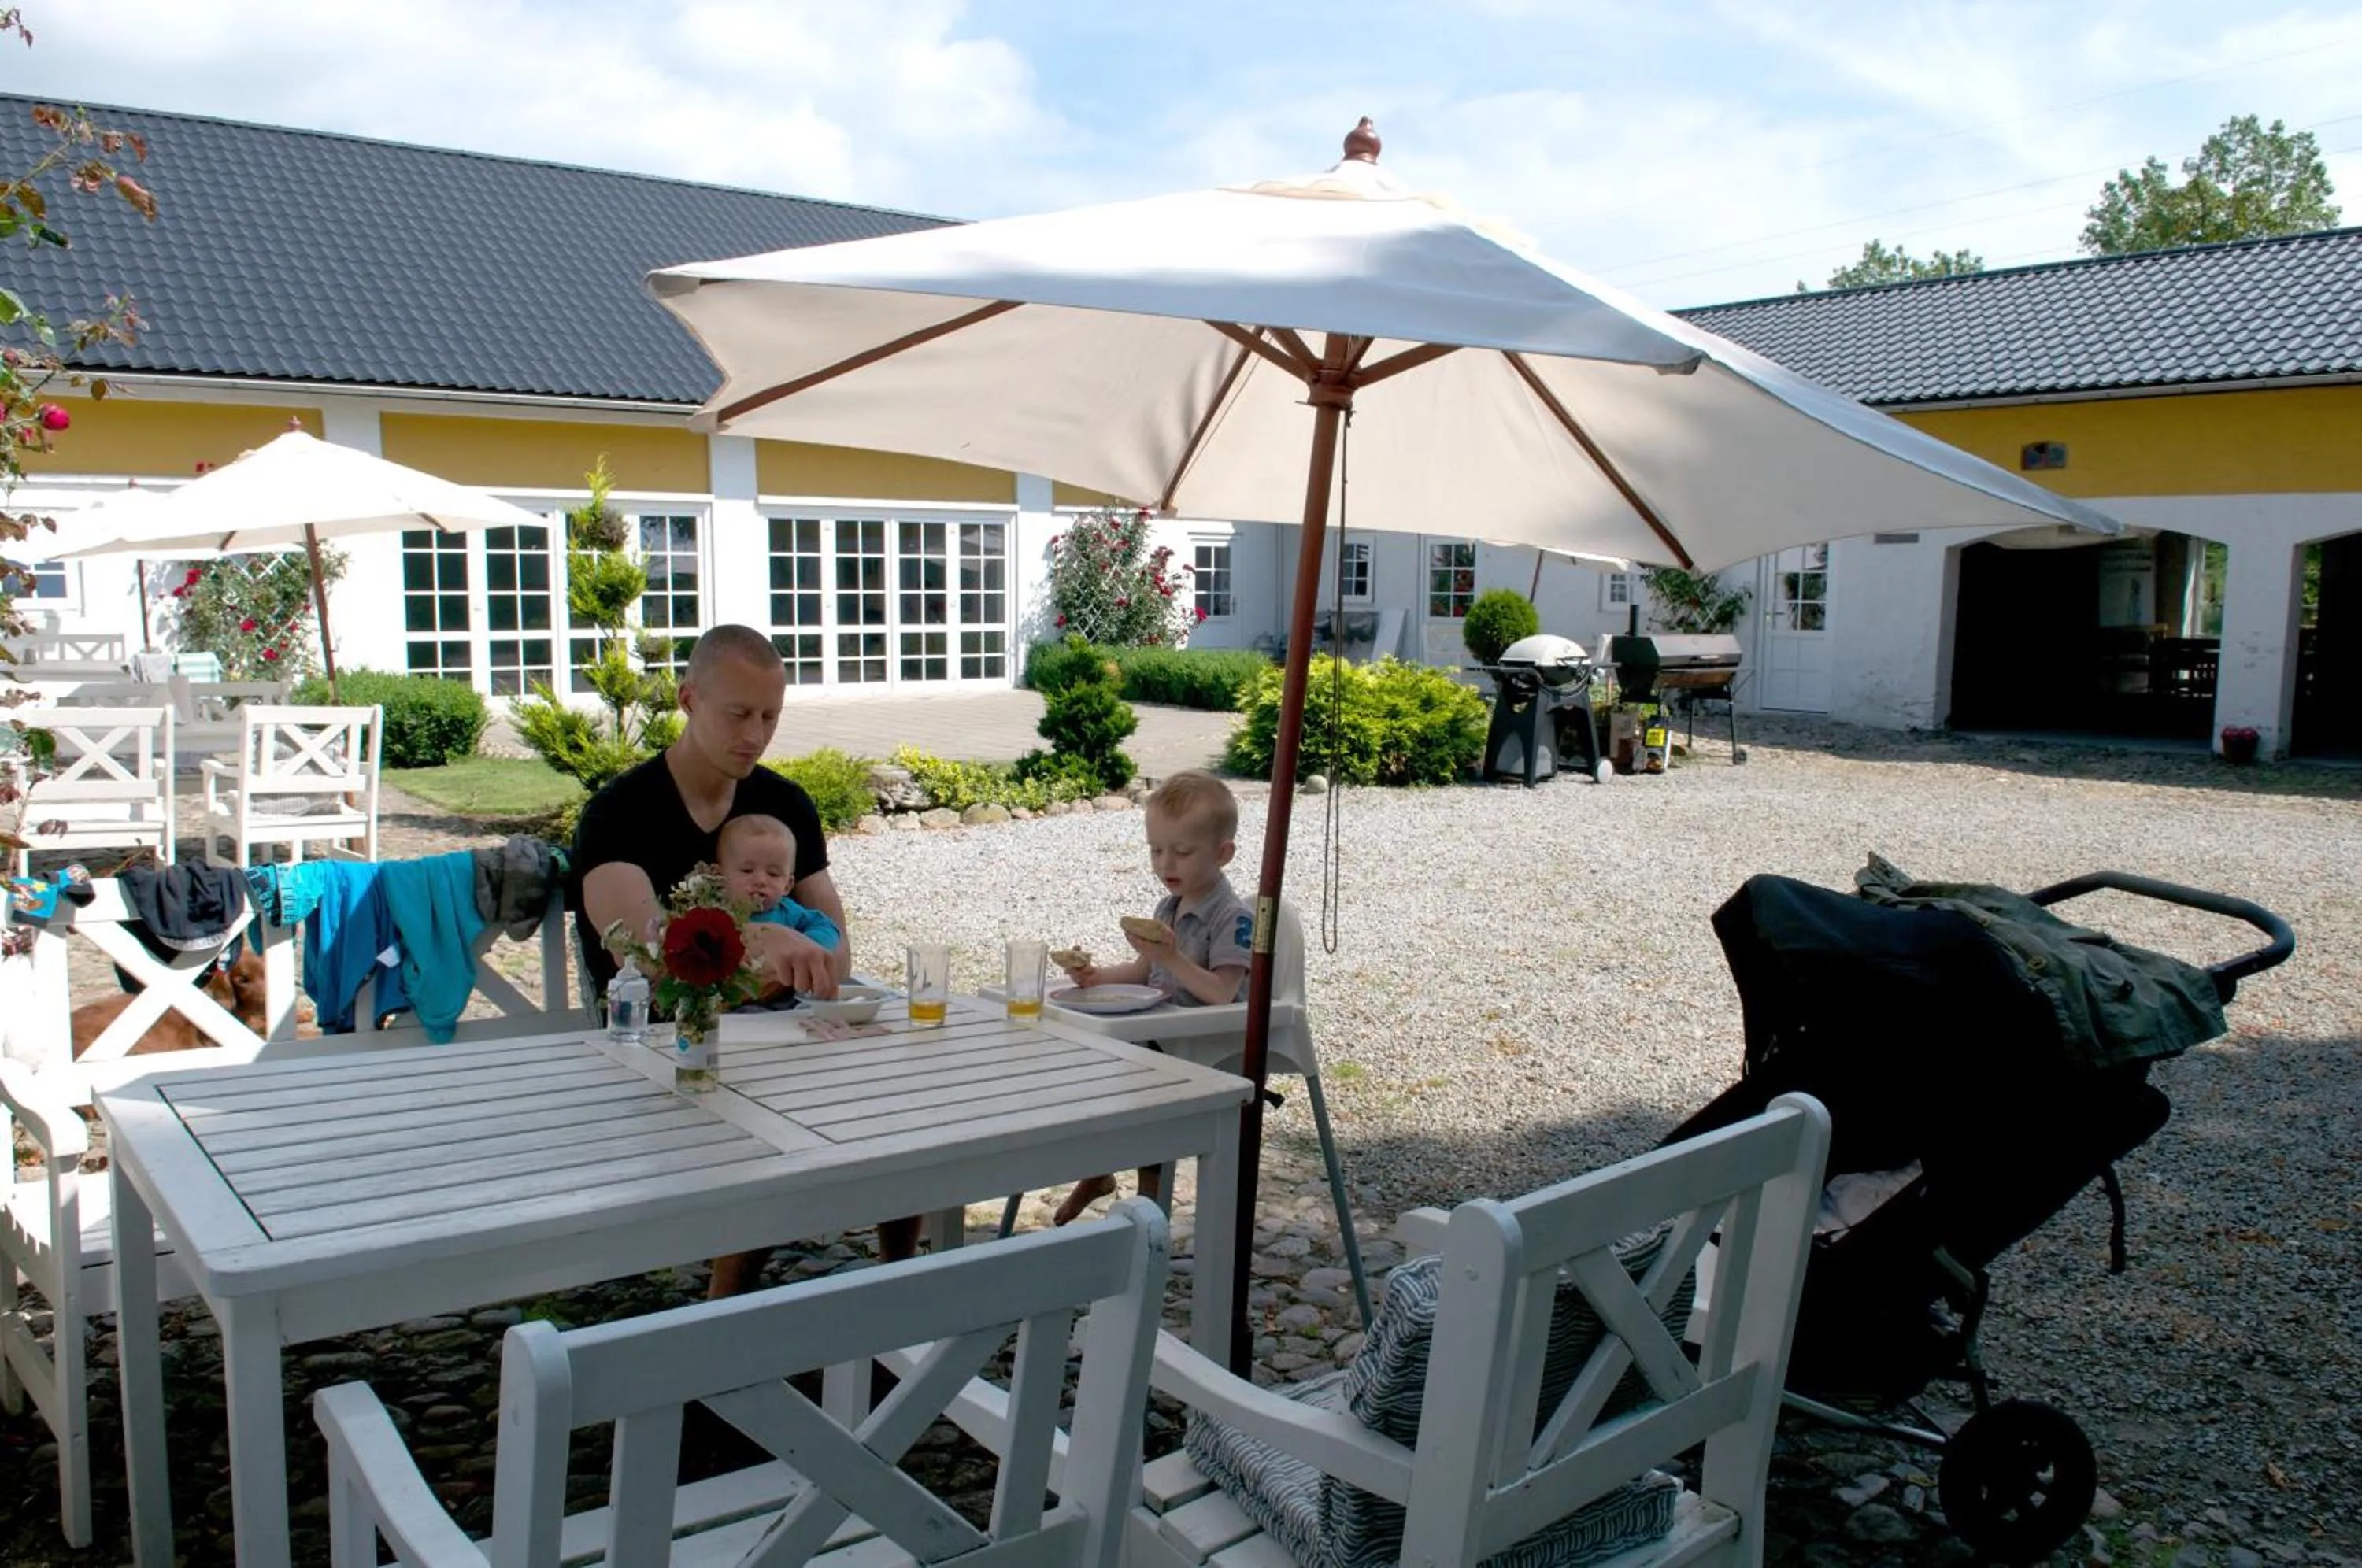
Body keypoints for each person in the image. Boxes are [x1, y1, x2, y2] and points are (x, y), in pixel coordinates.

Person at [574, 624, 913, 1294]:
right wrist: (760, 943)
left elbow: (836, 946)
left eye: (770, 717)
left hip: (779, 1023)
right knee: (777, 1112)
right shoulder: (619, 813)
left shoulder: (784, 805)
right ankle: (724, 1313)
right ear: (688, 699)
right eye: (738, 714)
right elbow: (642, 948)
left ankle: (898, 1290)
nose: (755, 735)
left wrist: (795, 956)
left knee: (897, 1101)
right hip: (658, 1036)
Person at [1053, 768, 1252, 1225]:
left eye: (1182, 852)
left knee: (1143, 1092)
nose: (1167, 865)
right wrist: (1096, 977)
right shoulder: (1168, 906)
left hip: (1206, 1044)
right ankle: (1099, 1170)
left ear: (1223, 854)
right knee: (1090, 1066)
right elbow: (1143, 973)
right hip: (1160, 1033)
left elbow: (1223, 994)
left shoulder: (1232, 916)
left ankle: (1148, 1202)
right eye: (1156, 850)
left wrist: (1177, 958)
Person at [717, 812, 842, 957]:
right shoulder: (714, 909)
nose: (761, 881)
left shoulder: (787, 912)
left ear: (787, 886)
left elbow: (827, 927)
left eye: (773, 874)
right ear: (720, 876)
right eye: (747, 870)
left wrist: (805, 946)